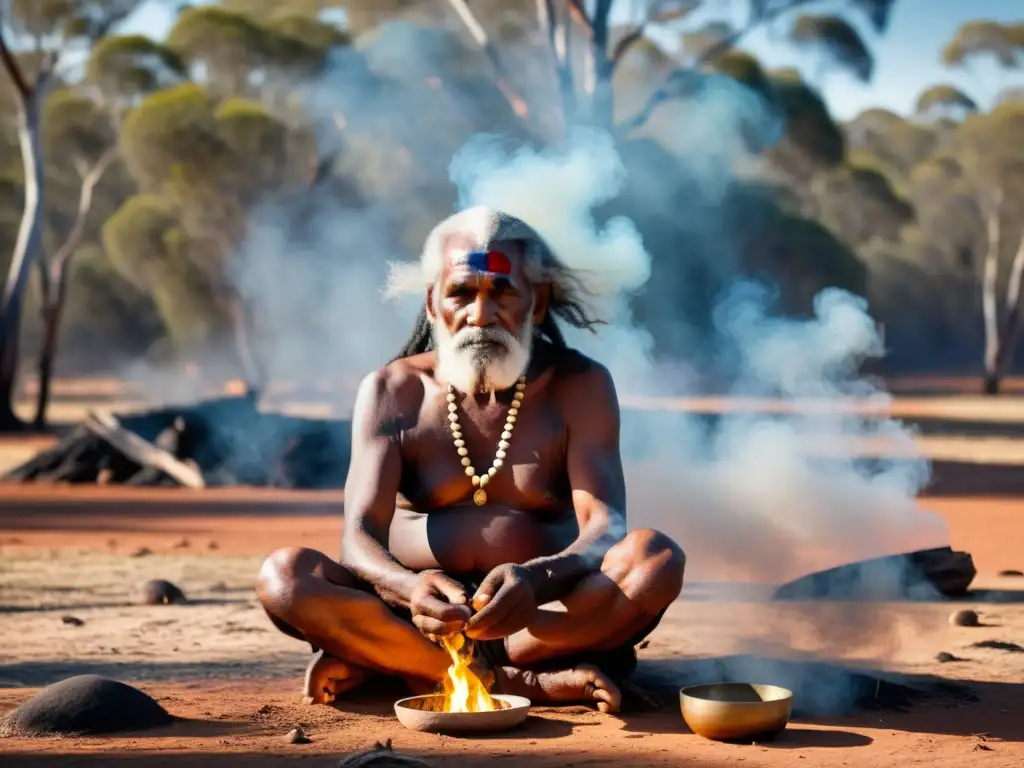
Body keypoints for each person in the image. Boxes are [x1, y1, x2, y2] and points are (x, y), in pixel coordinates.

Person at [257, 206, 685, 713]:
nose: (480, 316)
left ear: (538, 300)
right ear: (434, 301)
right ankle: (513, 680)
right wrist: (408, 587)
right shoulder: (391, 390)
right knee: (283, 577)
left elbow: (605, 527)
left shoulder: (580, 386)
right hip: (415, 616)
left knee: (655, 559)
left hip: (542, 618)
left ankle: (398, 665)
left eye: (502, 293)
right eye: (462, 292)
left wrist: (538, 578)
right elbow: (359, 536)